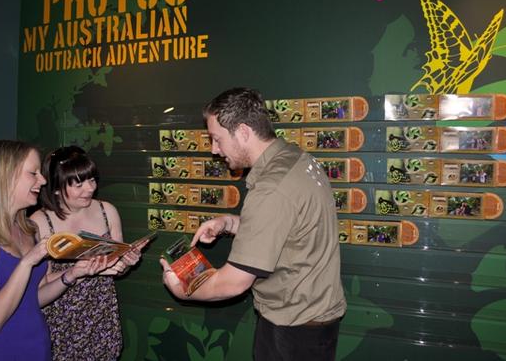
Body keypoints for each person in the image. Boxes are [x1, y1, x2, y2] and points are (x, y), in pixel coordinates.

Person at [160, 88, 346, 360]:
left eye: (217, 139)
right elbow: (284, 228)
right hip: (313, 322)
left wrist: (183, 290)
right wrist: (227, 223)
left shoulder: (272, 187)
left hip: (292, 332)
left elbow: (233, 284)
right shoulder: (295, 158)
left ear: (244, 132)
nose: (214, 150)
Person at [0, 140, 109, 360]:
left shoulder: (28, 229)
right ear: (4, 177)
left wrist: (73, 274)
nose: (43, 180)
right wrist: (27, 262)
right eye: (33, 173)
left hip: (37, 348)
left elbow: (33, 298)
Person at [30, 145, 147, 361]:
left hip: (102, 314)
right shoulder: (39, 222)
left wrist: (127, 261)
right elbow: (39, 285)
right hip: (60, 319)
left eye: (92, 180)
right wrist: (77, 270)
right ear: (56, 187)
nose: (90, 189)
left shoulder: (107, 211)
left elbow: (116, 268)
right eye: (78, 184)